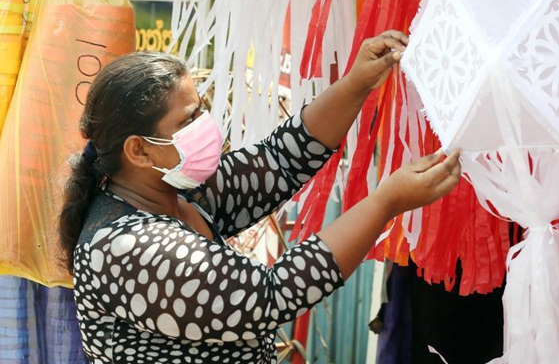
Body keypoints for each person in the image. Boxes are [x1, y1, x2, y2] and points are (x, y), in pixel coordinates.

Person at [59, 30, 462, 363]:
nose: (205, 125)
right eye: (188, 120)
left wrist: (357, 83)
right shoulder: (127, 247)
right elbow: (271, 295)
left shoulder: (177, 191)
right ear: (139, 150)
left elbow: (281, 160)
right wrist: (384, 203)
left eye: (200, 111)